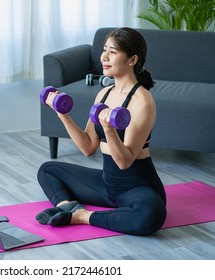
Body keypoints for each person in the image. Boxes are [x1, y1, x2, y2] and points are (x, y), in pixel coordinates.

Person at [36, 27, 167, 236]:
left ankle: (82, 217)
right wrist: (61, 112)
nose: (104, 57)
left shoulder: (143, 101)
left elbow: (125, 161)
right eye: (104, 50)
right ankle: (68, 206)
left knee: (150, 215)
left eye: (113, 52)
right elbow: (88, 147)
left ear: (132, 60)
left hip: (137, 187)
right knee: (48, 170)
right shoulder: (104, 94)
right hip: (106, 185)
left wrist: (109, 128)